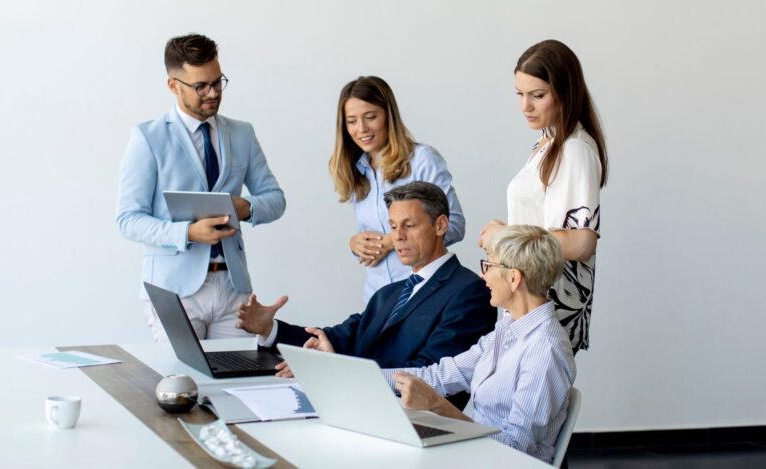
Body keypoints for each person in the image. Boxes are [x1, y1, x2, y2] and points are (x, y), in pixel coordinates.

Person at [238, 182, 494, 408]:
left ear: (440, 225)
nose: (398, 237)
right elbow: (336, 338)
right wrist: (269, 328)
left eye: (409, 225)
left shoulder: (470, 291)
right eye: (393, 226)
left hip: (414, 419)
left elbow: (431, 375)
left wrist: (337, 367)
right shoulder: (389, 293)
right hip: (359, 404)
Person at [117, 34, 285, 341]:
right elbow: (128, 219)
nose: (212, 93)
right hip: (174, 291)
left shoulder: (242, 134)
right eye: (200, 87)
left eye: (217, 82)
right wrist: (187, 233)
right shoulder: (148, 138)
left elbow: (275, 199)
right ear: (173, 85)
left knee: (239, 384)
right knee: (185, 384)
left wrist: (246, 208)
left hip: (234, 289)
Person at [385, 225, 575, 464]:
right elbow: (439, 376)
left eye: (489, 265)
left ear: (513, 278)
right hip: (474, 455)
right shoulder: (505, 331)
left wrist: (437, 406)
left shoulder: (545, 350)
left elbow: (516, 450)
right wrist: (368, 378)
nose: (483, 275)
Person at [480, 39, 608, 354]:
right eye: (520, 94)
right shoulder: (548, 143)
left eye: (538, 95)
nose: (526, 106)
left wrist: (506, 236)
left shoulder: (574, 149)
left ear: (565, 92)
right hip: (527, 301)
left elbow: (581, 242)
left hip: (549, 310)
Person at [329, 76, 466, 303]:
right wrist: (355, 244)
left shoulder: (422, 160)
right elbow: (371, 234)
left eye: (370, 117)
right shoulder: (354, 171)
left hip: (424, 297)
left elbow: (455, 225)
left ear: (388, 116)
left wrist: (393, 241)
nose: (361, 129)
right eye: (351, 121)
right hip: (378, 301)